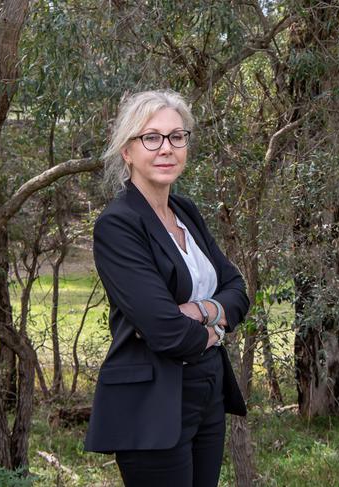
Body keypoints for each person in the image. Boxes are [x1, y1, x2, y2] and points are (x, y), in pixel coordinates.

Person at [84, 90, 249, 487]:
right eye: (151, 137)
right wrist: (215, 329)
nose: (166, 148)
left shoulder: (186, 211)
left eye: (177, 137)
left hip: (207, 389)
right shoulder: (118, 224)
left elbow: (237, 289)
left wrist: (200, 312)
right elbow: (164, 330)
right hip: (151, 403)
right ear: (127, 150)